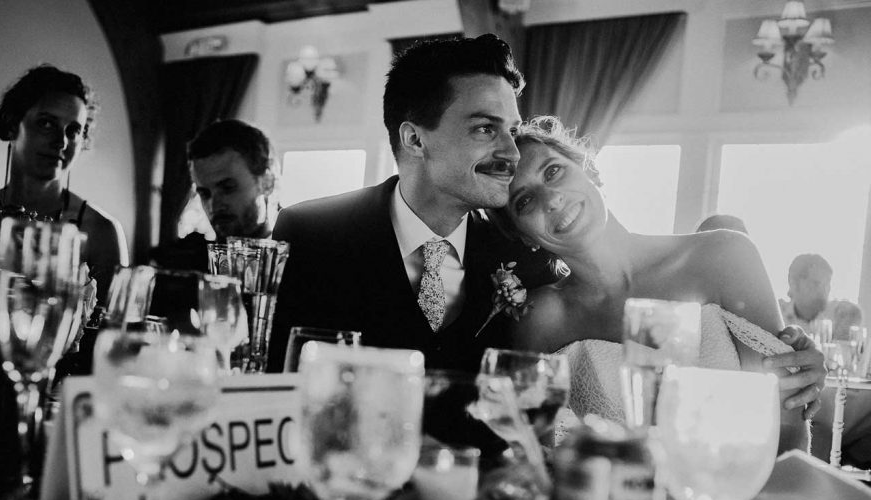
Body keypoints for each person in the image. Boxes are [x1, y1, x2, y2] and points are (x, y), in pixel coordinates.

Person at [492, 116, 826, 453]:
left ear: (588, 169)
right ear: (524, 235)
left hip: (738, 494)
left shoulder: (725, 256)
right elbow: (535, 455)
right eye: (524, 201)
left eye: (553, 172)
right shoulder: (540, 318)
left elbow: (786, 429)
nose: (550, 199)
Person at [268, 35, 553, 373]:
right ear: (415, 139)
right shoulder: (309, 233)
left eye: (513, 131)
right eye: (485, 129)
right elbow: (281, 381)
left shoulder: (521, 247)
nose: (512, 152)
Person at [0, 65, 129, 301]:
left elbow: (110, 331)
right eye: (46, 124)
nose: (61, 142)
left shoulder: (101, 232)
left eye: (73, 130)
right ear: (13, 124)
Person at [150, 119, 278, 272]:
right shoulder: (187, 269)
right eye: (204, 193)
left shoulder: (298, 262)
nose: (214, 205)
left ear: (267, 183)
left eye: (228, 188)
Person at [779, 253, 861, 334]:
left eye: (827, 284)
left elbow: (854, 313)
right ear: (794, 283)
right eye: (816, 284)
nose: (825, 290)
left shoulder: (838, 314)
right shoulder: (778, 315)